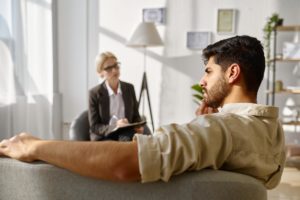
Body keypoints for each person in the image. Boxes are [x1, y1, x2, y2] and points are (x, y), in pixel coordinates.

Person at [0, 35, 285, 189]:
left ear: (233, 72)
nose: (202, 81)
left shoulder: (219, 131)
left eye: (208, 71)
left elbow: (128, 163)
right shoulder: (271, 132)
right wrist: (208, 122)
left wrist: (35, 145)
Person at [89, 52, 144, 141]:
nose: (114, 70)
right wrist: (116, 126)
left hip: (126, 133)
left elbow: (136, 116)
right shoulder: (94, 93)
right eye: (109, 68)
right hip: (105, 136)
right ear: (100, 73)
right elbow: (94, 127)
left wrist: (138, 125)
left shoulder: (129, 88)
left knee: (132, 140)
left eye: (116, 65)